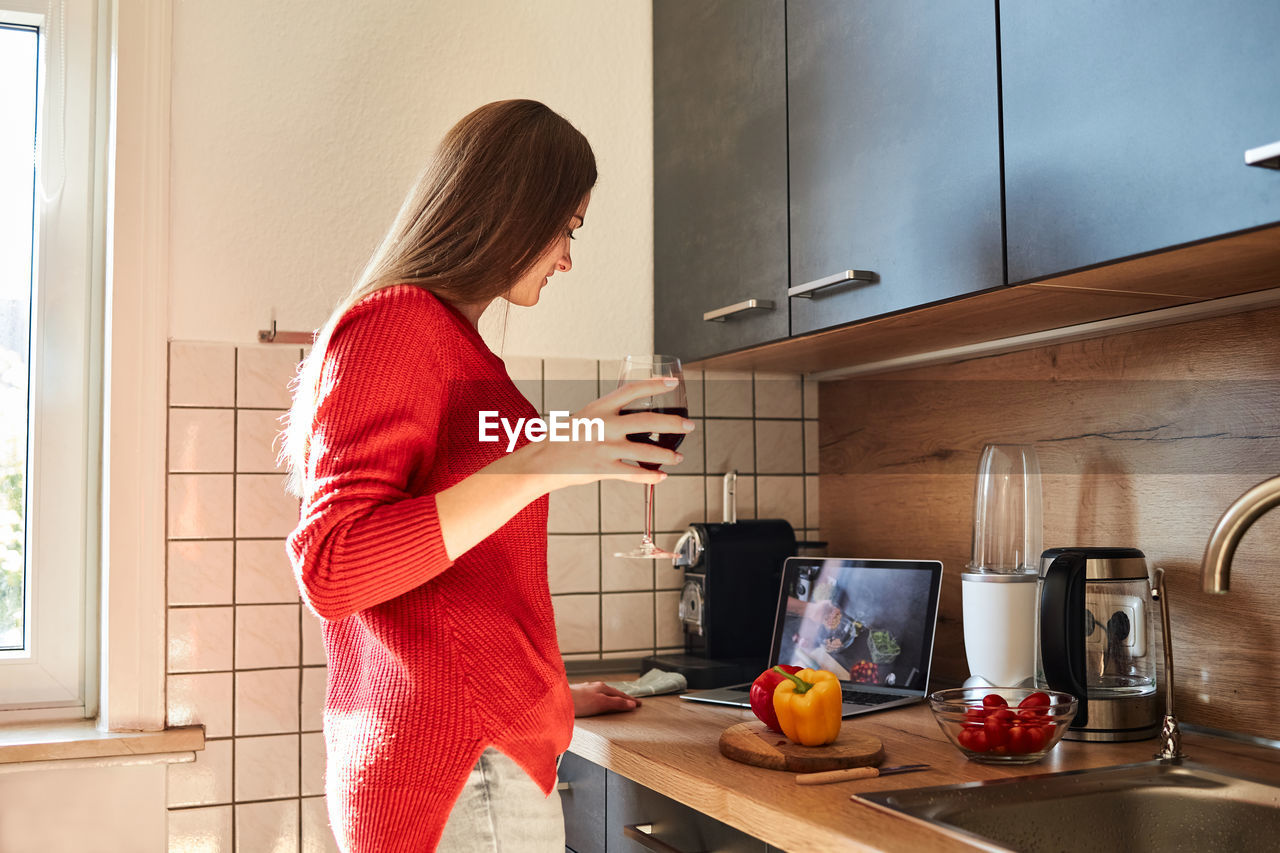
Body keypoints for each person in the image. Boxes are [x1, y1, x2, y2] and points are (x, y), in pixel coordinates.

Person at [282, 99, 694, 852]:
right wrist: (541, 460)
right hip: (457, 772)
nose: (568, 257)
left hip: (471, 751)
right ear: (514, 209)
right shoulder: (397, 323)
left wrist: (540, 696)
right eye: (567, 227)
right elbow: (333, 566)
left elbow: (452, 598)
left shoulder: (453, 346)